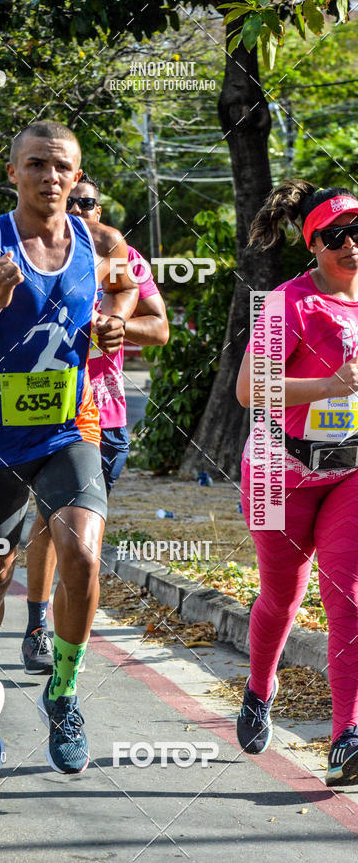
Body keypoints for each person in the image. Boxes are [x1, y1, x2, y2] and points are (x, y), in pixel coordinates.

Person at [0, 120, 138, 779]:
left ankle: (64, 695)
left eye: (62, 166)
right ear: (13, 172)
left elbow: (127, 293)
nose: (51, 177)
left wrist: (114, 324)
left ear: (77, 176)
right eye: (38, 164)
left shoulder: (101, 242)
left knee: (82, 554)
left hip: (70, 430)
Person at [21, 173, 169, 676]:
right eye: (70, 202)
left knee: (83, 537)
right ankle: (37, 627)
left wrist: (118, 325)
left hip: (106, 417)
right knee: (50, 521)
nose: (78, 211)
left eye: (86, 203)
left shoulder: (124, 260)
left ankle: (67, 636)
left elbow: (160, 327)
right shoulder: (34, 256)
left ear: (99, 211)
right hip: (49, 410)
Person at [236, 179, 358, 788]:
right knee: (281, 597)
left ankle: (346, 736)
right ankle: (260, 688)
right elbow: (247, 390)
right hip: (276, 470)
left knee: (348, 597)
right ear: (313, 244)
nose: (351, 243)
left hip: (349, 471)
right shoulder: (289, 304)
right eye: (336, 235)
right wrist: (330, 386)